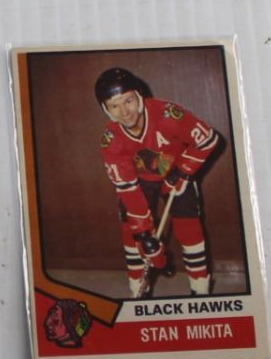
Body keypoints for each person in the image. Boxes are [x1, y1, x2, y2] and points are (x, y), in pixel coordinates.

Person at [93, 67, 222, 299]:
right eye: (114, 106)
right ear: (106, 109)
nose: (124, 112)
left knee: (189, 228)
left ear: (139, 96)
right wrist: (144, 234)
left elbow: (209, 140)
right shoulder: (111, 141)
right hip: (139, 181)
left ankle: (200, 289)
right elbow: (128, 190)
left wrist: (183, 170)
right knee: (132, 233)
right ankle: (138, 289)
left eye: (128, 101)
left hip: (177, 173)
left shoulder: (167, 114)